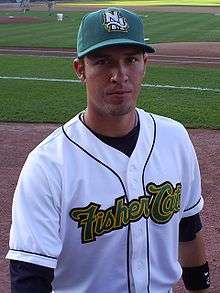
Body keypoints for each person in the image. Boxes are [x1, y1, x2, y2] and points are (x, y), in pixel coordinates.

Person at [6, 7, 210, 293]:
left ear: (144, 63)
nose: (119, 75)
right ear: (80, 69)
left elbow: (188, 228)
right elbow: (29, 276)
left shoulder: (174, 138)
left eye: (131, 60)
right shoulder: (48, 165)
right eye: (103, 61)